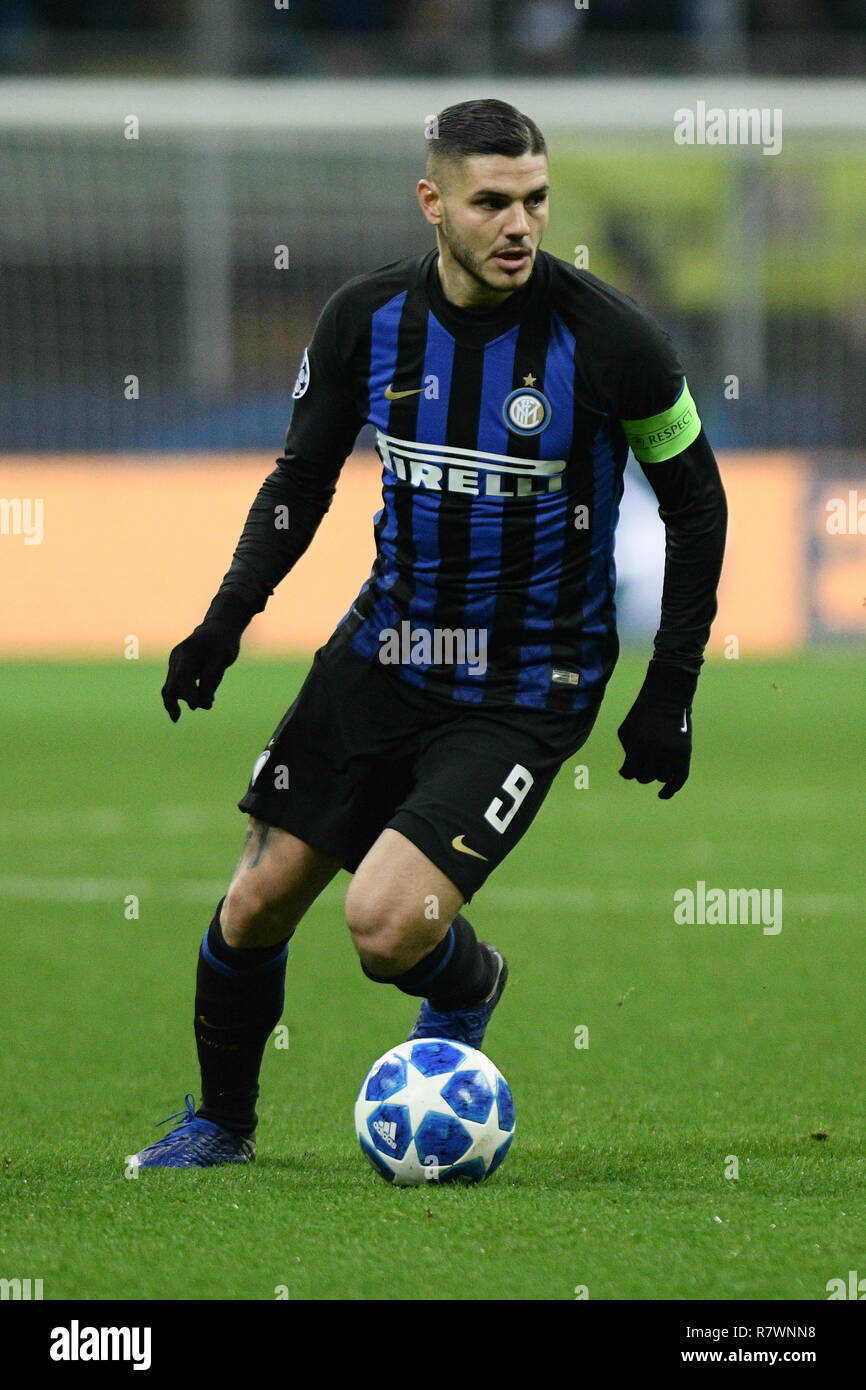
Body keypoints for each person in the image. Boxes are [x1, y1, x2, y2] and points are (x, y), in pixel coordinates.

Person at [129, 98, 727, 1169]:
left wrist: (668, 686)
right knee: (254, 900)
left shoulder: (609, 338)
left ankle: (470, 980)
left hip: (526, 681)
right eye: (490, 201)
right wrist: (225, 620)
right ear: (432, 202)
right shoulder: (366, 319)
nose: (518, 225)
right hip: (388, 648)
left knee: (382, 925)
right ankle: (221, 1125)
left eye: (535, 200)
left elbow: (696, 502)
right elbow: (299, 480)